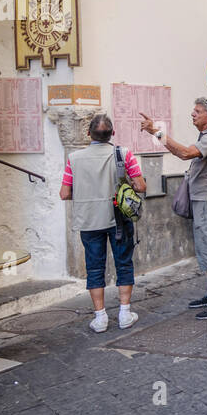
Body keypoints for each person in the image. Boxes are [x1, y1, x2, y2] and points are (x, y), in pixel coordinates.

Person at [60, 113, 147, 332]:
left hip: (88, 220)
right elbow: (141, 186)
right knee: (124, 263)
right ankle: (125, 313)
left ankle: (100, 318)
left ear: (88, 133)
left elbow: (64, 193)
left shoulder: (74, 159)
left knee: (94, 268)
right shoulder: (123, 154)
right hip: (117, 218)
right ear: (112, 134)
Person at [142, 98, 207, 319]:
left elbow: (185, 153)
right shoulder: (206, 136)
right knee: (204, 249)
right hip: (202, 200)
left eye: (198, 111)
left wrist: (156, 132)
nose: (192, 114)